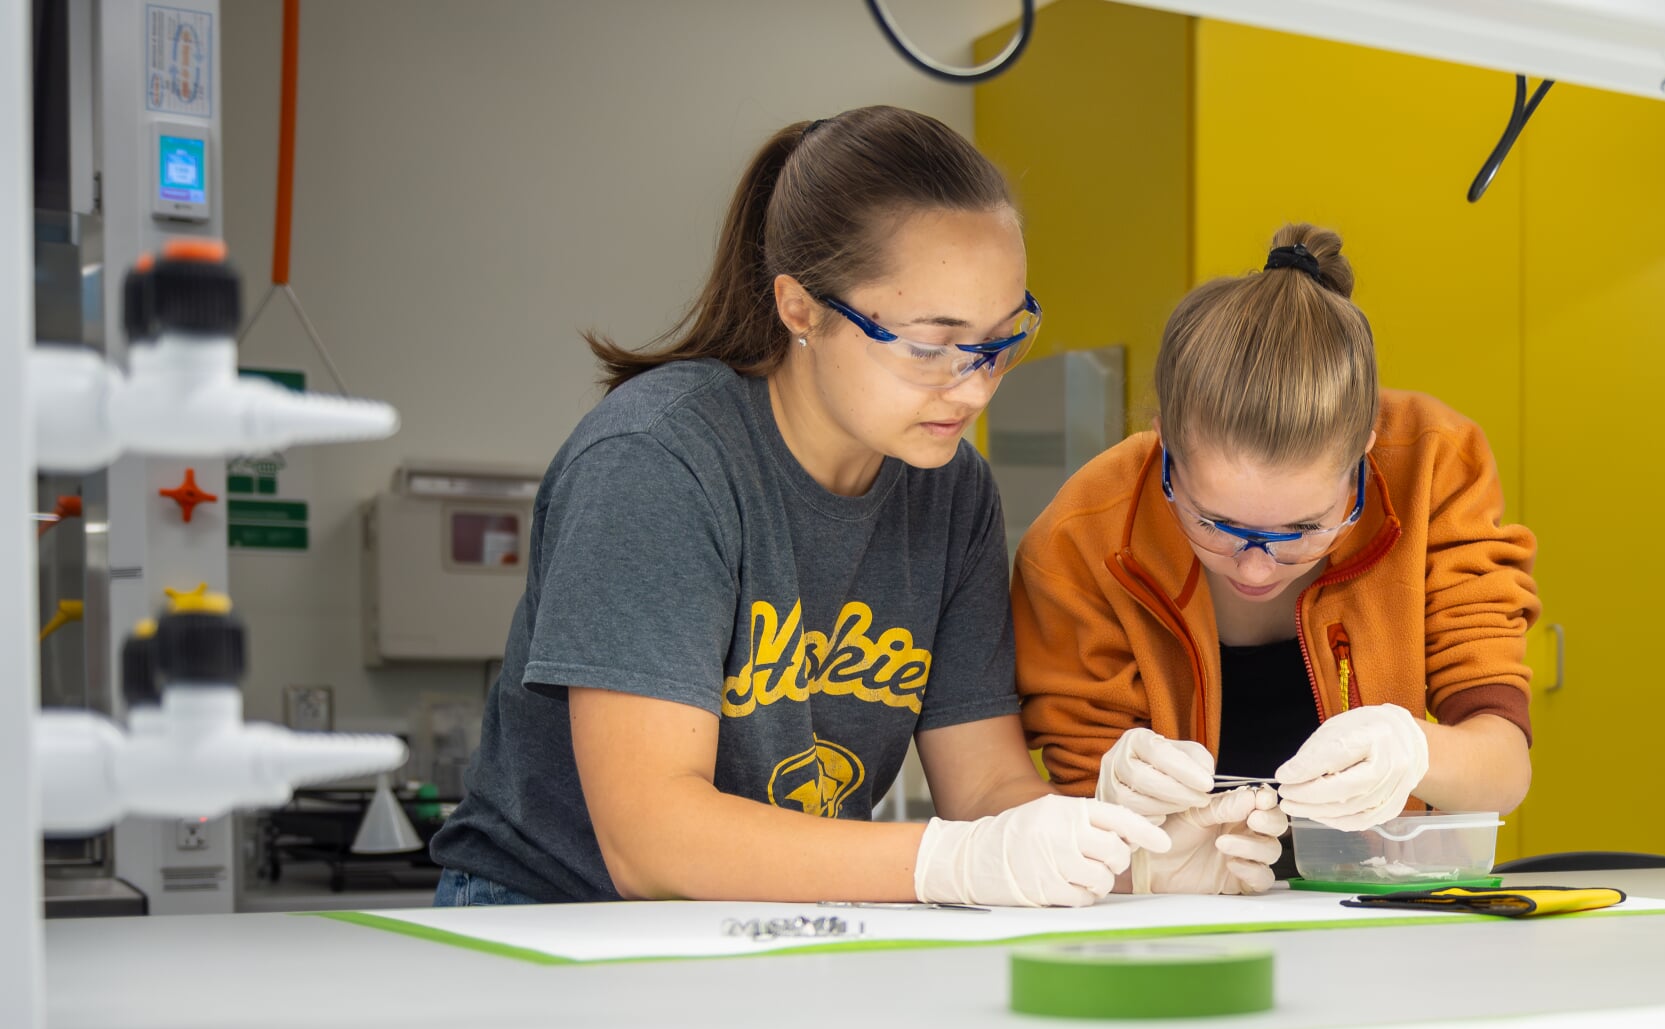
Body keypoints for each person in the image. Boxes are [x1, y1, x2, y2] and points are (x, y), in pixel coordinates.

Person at [428, 106, 1168, 906]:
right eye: (929, 345)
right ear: (800, 306)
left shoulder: (950, 490)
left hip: (776, 920)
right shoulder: (657, 462)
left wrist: (1140, 851)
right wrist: (944, 862)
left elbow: (986, 788)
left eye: (1000, 339)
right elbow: (651, 840)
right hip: (558, 921)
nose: (975, 384)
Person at [1012, 223, 1538, 892]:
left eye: (1304, 528)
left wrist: (1417, 749)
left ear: (1366, 449)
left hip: (1388, 913)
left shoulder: (1435, 469)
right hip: (1182, 929)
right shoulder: (1082, 538)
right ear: (1165, 440)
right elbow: (1082, 844)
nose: (1256, 567)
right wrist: (1123, 821)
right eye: (1215, 523)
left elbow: (1504, 766)